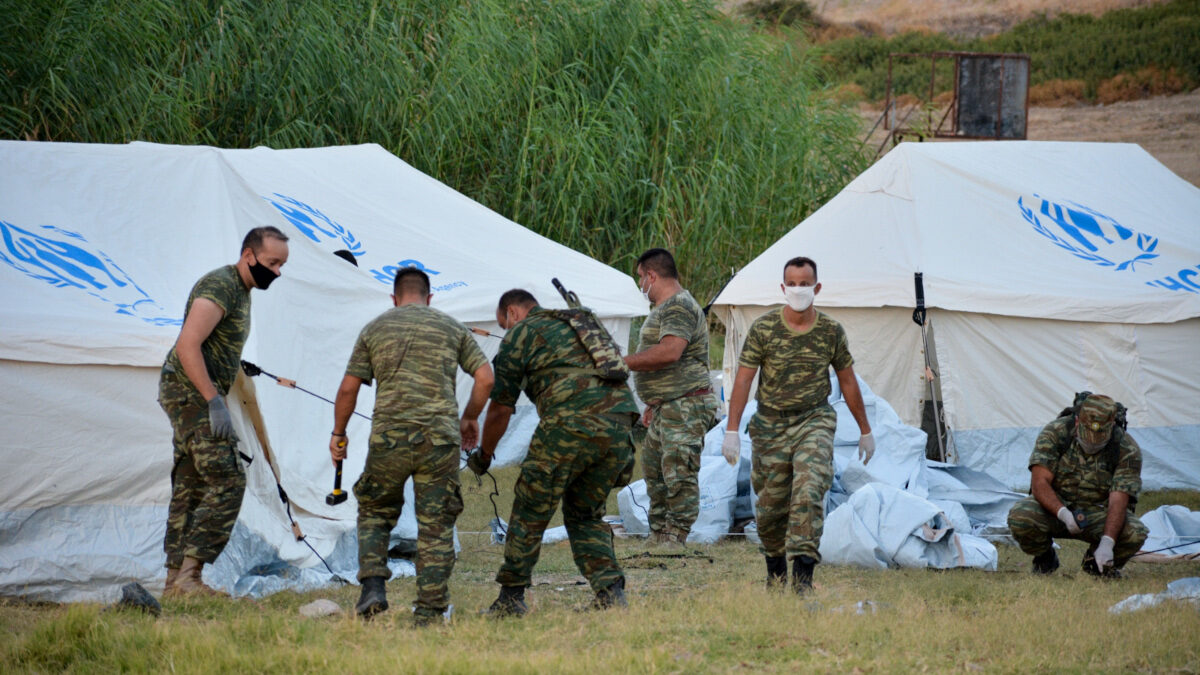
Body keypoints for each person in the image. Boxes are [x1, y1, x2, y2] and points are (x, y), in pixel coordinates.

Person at [329, 266, 493, 623]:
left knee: (374, 511)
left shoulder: (375, 328)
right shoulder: (450, 326)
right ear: (429, 297)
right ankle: (430, 611)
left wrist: (338, 433)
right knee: (435, 525)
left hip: (389, 437)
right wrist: (469, 418)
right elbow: (485, 378)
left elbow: (347, 388)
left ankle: (373, 585)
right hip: (439, 440)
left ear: (394, 298)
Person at [472, 289, 638, 616]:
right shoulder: (579, 322)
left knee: (530, 508)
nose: (505, 330)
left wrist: (485, 453)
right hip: (620, 424)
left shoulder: (521, 333)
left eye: (504, 323)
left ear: (513, 312)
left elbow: (500, 407)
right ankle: (610, 593)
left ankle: (510, 598)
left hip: (570, 424)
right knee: (586, 512)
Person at [723, 256, 874, 593]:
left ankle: (803, 580)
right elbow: (744, 381)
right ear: (782, 288)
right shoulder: (764, 329)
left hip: (814, 420)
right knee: (771, 505)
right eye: (792, 284)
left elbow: (848, 382)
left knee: (810, 489)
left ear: (817, 288)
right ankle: (775, 573)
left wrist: (865, 430)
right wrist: (732, 429)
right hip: (770, 425)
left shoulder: (831, 330)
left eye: (805, 284)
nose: (798, 290)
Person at [158, 226, 290, 597]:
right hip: (191, 394)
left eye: (282, 265)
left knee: (189, 483)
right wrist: (213, 400)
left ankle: (175, 581)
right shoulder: (220, 286)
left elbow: (212, 344)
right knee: (228, 480)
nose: (277, 272)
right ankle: (189, 577)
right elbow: (188, 344)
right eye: (272, 262)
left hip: (191, 393)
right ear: (249, 255)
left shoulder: (242, 290)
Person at [623, 248, 718, 546]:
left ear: (652, 275)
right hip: (668, 405)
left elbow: (670, 351)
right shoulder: (665, 308)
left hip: (686, 404)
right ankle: (659, 533)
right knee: (655, 473)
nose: (641, 285)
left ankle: (676, 536)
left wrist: (621, 362)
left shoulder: (678, 306)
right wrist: (654, 401)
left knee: (678, 472)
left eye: (641, 277)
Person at [1007, 393, 1147, 578]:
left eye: (1098, 440)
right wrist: (1063, 513)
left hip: (1098, 513)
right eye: (1086, 437)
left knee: (1135, 532)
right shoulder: (1055, 433)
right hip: (1055, 508)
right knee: (1021, 516)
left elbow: (1118, 500)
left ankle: (1095, 566)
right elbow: (1040, 482)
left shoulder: (1126, 449)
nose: (1091, 443)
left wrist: (1108, 542)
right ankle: (1044, 557)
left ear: (1111, 426)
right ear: (1076, 422)